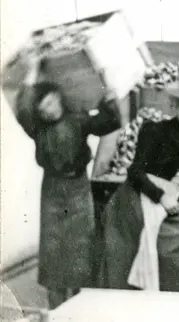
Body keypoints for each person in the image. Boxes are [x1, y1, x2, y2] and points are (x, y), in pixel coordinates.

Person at [98, 76, 179, 291]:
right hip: (136, 196)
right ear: (176, 106)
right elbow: (135, 171)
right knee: (128, 256)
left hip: (163, 195)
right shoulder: (154, 130)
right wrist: (162, 198)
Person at [14, 80, 122, 308]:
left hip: (78, 189)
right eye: (42, 109)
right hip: (52, 190)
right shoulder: (37, 127)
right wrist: (28, 74)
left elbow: (109, 122)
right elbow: (22, 111)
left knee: (79, 249)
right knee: (53, 251)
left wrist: (109, 98)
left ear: (59, 98)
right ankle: (55, 308)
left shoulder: (78, 119)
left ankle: (75, 307)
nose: (47, 111)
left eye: (50, 104)